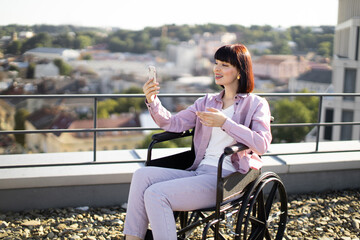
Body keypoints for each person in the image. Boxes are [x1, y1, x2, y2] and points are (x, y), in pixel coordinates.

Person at [123, 44, 272, 240]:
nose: (217, 69)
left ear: (240, 71)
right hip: (199, 170)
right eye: (216, 63)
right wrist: (152, 100)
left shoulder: (256, 104)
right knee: (142, 175)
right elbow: (172, 123)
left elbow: (262, 144)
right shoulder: (207, 101)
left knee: (156, 194)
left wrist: (225, 123)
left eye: (224, 65)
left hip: (227, 179)